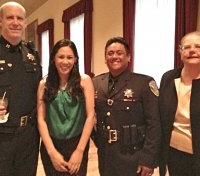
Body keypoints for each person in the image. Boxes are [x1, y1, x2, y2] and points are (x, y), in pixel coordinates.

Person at [92, 37, 161, 176]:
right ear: (105, 58)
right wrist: (98, 140)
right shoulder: (96, 83)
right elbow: (89, 116)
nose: (114, 56)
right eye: (110, 53)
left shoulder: (144, 83)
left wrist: (148, 159)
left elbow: (154, 123)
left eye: (119, 53)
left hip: (133, 154)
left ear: (128, 57)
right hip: (106, 154)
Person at [37, 39, 95, 176]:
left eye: (69, 57)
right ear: (53, 59)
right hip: (51, 145)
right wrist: (52, 152)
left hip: (77, 144)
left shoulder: (84, 81)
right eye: (61, 57)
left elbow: (90, 116)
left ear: (75, 59)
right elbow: (41, 119)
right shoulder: (44, 84)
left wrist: (80, 150)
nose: (65, 62)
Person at [0, 1, 42, 176]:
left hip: (29, 135)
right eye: (10, 17)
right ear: (0, 21)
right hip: (2, 135)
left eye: (20, 18)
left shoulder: (32, 54)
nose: (16, 22)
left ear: (25, 23)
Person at [159, 31, 200, 176]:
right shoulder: (168, 78)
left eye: (198, 46)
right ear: (180, 51)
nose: (192, 50)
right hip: (174, 152)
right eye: (187, 47)